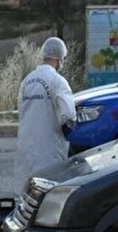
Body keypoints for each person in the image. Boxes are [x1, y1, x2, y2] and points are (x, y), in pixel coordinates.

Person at [14, 37, 76, 196]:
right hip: (50, 149)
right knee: (48, 195)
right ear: (60, 58)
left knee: (27, 195)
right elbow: (69, 115)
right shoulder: (58, 81)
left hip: (26, 148)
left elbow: (22, 111)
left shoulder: (27, 81)